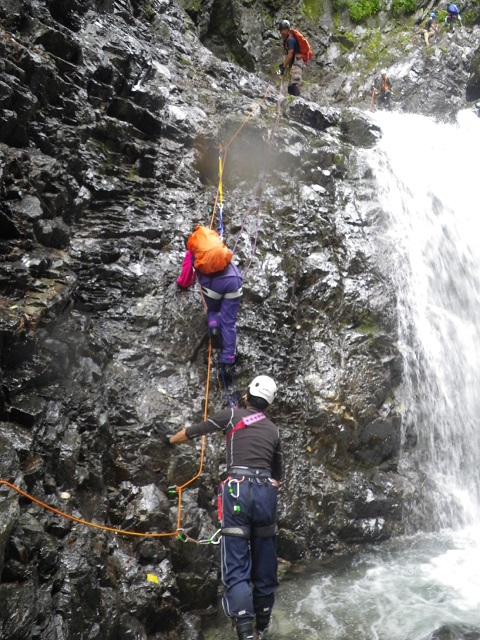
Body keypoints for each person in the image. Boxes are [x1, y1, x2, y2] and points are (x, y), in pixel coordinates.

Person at [158, 375, 282, 640]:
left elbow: (195, 431)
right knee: (265, 567)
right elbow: (277, 474)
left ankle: (246, 633)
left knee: (236, 568)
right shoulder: (273, 430)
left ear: (247, 395)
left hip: (237, 492)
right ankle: (262, 628)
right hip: (266, 494)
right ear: (269, 405)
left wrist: (169, 439)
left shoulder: (231, 415)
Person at [196, 260, 243, 376]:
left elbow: (187, 273)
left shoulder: (194, 249)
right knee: (229, 322)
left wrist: (182, 283)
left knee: (213, 310)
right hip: (234, 281)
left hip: (212, 286)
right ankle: (228, 359)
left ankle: (214, 330)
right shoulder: (217, 244)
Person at [278, 19, 304, 97]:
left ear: (288, 29)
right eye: (281, 30)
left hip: (297, 61)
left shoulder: (291, 40)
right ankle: (293, 101)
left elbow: (290, 54)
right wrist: (283, 65)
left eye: (284, 29)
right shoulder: (286, 41)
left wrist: (283, 67)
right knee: (291, 87)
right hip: (293, 63)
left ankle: (298, 103)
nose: (283, 32)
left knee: (295, 82)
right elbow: (287, 55)